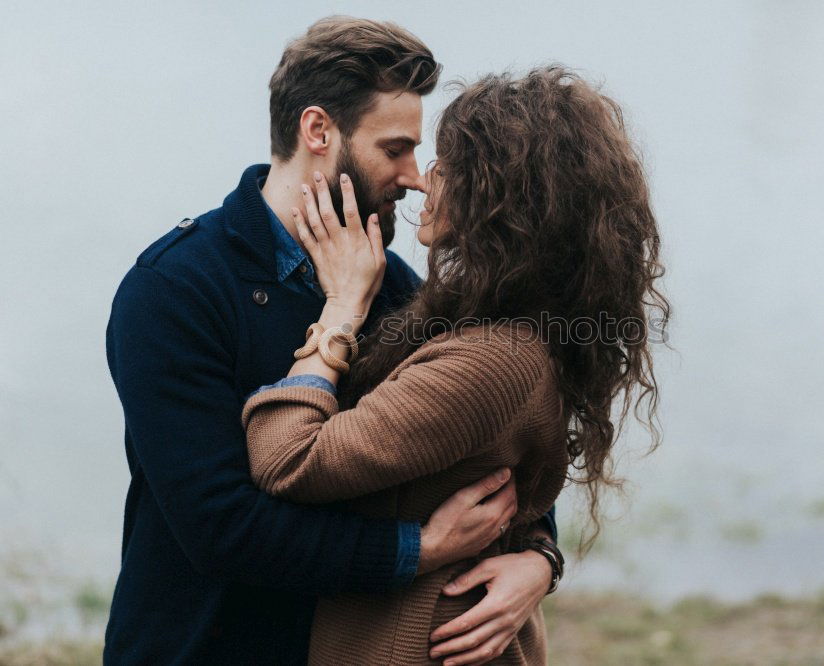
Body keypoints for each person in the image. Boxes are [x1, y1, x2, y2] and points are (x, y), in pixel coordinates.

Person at [104, 17, 557, 665]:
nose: (415, 176)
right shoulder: (175, 289)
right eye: (395, 148)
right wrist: (422, 549)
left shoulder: (398, 285)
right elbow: (222, 528)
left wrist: (539, 558)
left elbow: (488, 441)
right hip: (201, 646)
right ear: (318, 131)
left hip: (346, 645)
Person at [241, 66, 669, 664]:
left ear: (500, 198)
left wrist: (339, 311)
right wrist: (541, 558)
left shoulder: (493, 359)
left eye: (445, 166)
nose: (421, 181)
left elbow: (288, 459)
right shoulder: (491, 323)